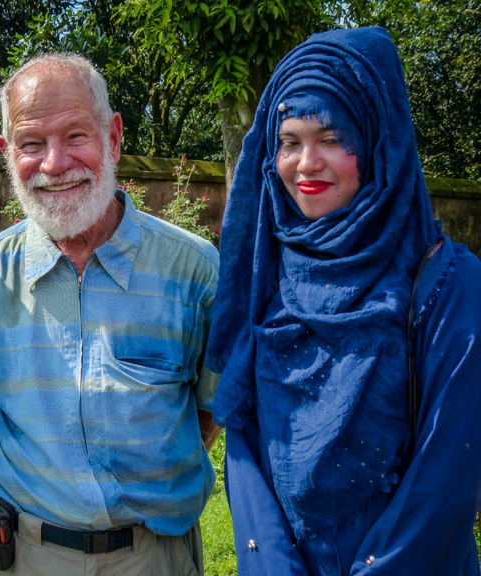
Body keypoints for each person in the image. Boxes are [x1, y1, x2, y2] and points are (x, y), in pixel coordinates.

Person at [0, 52, 220, 575]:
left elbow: (211, 408)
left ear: (114, 137)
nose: (55, 164)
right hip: (21, 557)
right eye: (31, 144)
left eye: (76, 137)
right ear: (7, 153)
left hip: (154, 559)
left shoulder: (194, 269)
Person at [205, 26, 481, 575]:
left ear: (380, 141)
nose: (306, 163)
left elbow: (447, 474)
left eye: (333, 138)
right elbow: (244, 435)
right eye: (289, 141)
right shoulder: (267, 277)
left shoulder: (451, 283)